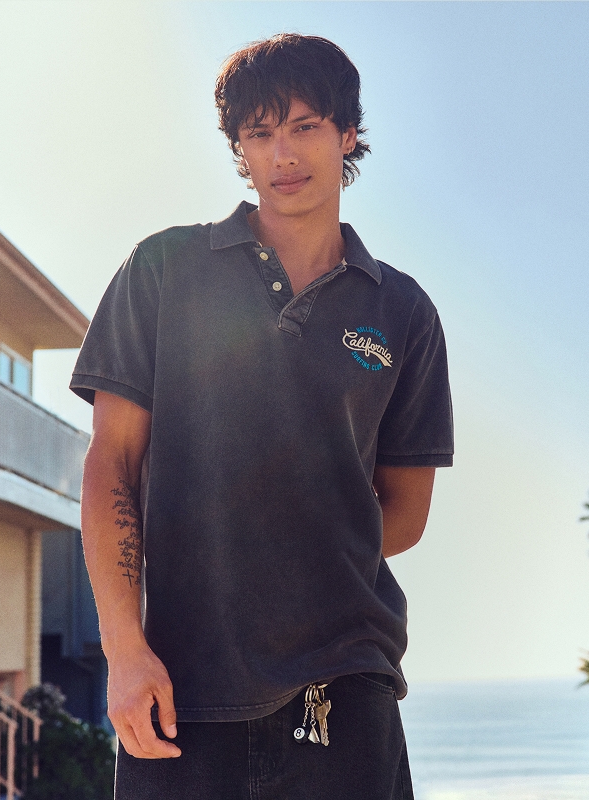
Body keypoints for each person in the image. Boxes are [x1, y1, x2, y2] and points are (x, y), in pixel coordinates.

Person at [70, 33, 453, 800]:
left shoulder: (403, 312)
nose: (283, 153)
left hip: (347, 685)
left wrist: (291, 556)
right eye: (260, 132)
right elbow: (112, 463)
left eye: (305, 126)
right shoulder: (163, 269)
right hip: (180, 685)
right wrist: (124, 648)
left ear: (347, 134)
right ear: (239, 148)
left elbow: (406, 514)